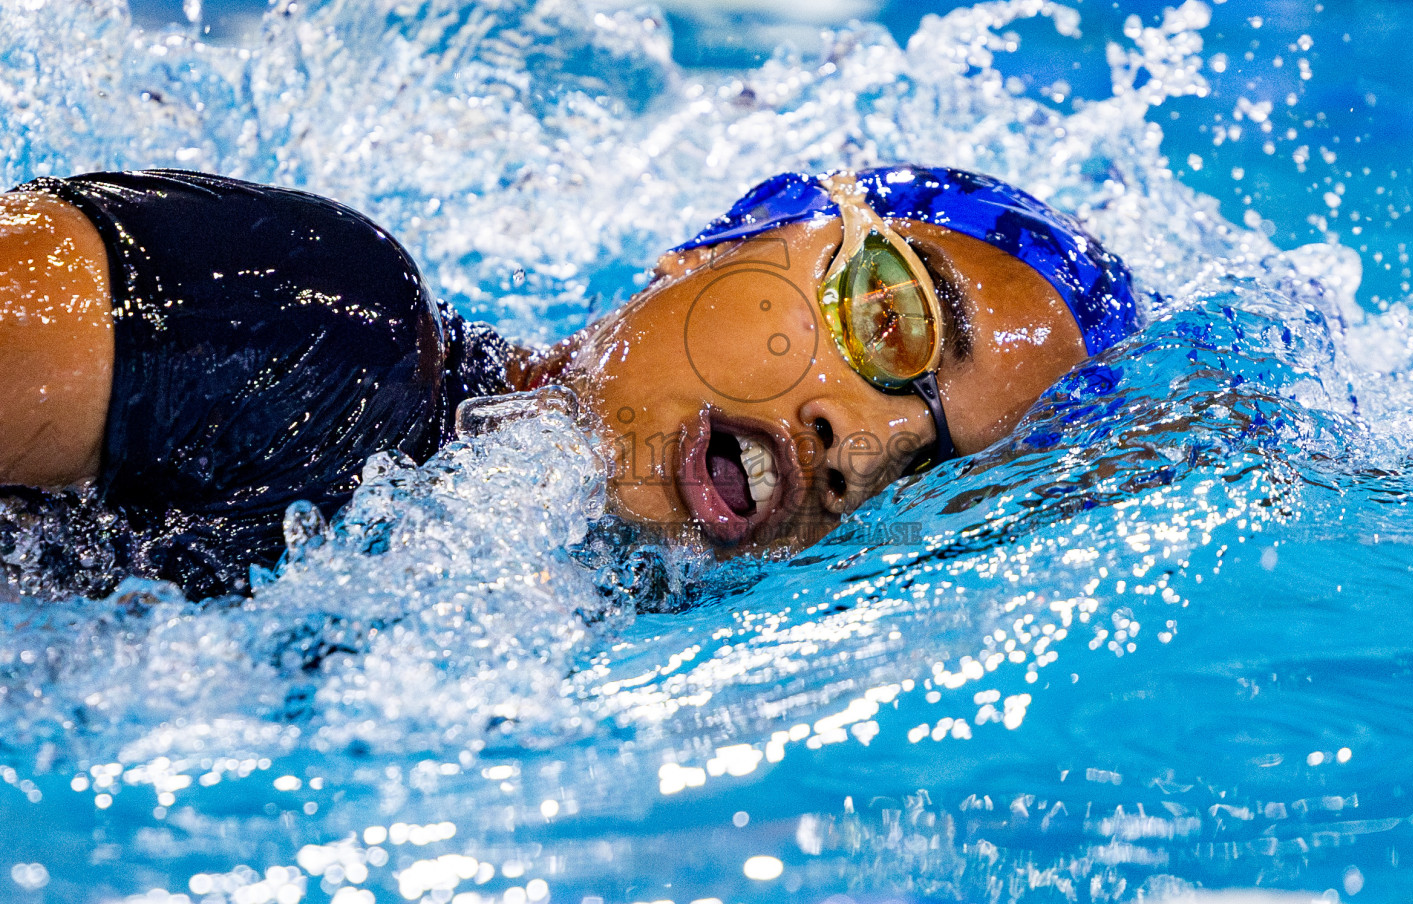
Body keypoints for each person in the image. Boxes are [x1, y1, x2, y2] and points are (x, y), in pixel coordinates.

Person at [0, 164, 1136, 598]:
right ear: (736, 233)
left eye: (933, 468)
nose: (862, 447)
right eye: (892, 319)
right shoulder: (324, 326)